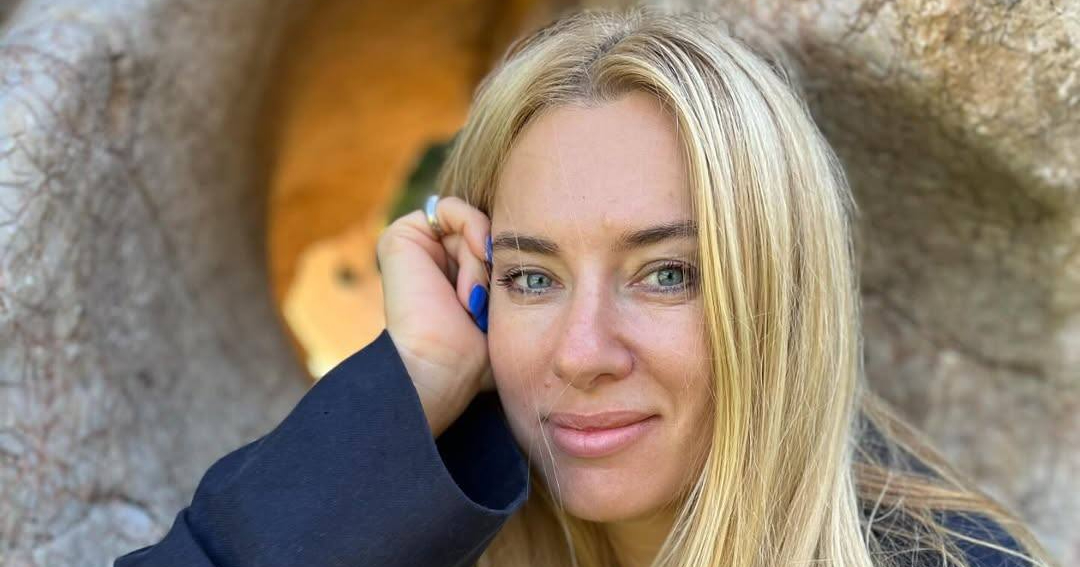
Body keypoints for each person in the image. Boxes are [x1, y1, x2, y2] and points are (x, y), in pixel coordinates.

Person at [115, 6, 1057, 567]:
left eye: (667, 273)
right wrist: (414, 379)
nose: (581, 353)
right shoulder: (426, 532)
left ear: (780, 293)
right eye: (532, 276)